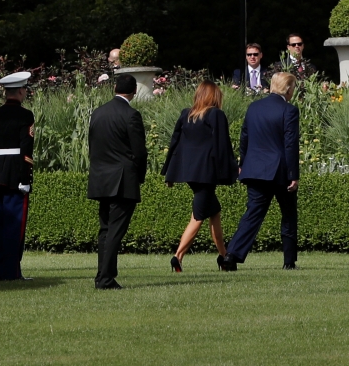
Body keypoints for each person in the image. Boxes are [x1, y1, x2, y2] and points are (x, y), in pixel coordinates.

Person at [221, 72, 300, 271]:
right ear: (288, 89)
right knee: (288, 214)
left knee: (252, 214)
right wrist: (293, 175)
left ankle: (231, 254)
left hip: (255, 169)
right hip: (279, 171)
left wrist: (243, 163)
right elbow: (290, 145)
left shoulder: (254, 107)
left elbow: (244, 137)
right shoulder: (289, 110)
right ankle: (288, 261)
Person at [161, 81, 238, 272]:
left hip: (189, 172)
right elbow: (222, 144)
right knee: (198, 216)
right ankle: (177, 256)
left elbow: (175, 143)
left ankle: (224, 256)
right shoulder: (215, 114)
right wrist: (231, 169)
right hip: (207, 173)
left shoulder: (186, 114)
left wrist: (169, 172)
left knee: (214, 212)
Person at [87, 74, 147, 289]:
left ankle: (101, 275)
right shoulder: (131, 115)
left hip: (101, 178)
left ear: (114, 88)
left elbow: (92, 147)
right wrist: (139, 176)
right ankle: (105, 278)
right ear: (134, 92)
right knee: (115, 231)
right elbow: (139, 152)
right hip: (122, 180)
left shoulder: (98, 113)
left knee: (105, 229)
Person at [0, 71, 35, 281]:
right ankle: (11, 272)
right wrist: (25, 179)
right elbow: (26, 148)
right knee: (15, 227)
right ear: (21, 91)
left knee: (0, 226)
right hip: (15, 175)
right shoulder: (25, 115)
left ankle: (0, 271)